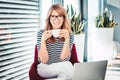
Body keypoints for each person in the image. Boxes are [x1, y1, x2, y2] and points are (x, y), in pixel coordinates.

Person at [37, 4, 74, 80]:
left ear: (64, 18)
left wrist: (67, 39)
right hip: (45, 68)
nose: (56, 20)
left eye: (59, 16)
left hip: (62, 67)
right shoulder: (41, 33)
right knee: (68, 66)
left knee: (64, 75)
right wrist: (43, 40)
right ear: (49, 18)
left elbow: (64, 59)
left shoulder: (69, 34)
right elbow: (44, 60)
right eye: (53, 16)